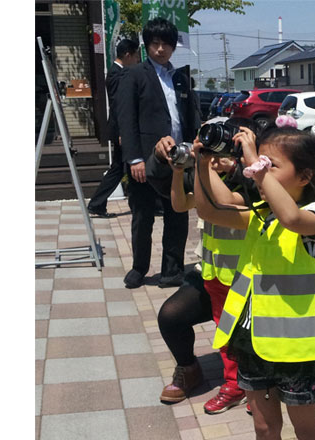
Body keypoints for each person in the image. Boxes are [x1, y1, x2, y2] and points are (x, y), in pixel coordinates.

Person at [203, 117, 315, 440]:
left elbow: (292, 217)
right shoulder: (263, 213)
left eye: (270, 164)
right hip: (252, 340)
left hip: (295, 350)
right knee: (264, 427)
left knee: (305, 429)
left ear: (305, 176)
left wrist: (253, 162)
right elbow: (209, 210)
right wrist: (202, 161)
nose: (258, 169)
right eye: (259, 163)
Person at [155, 117, 260, 415]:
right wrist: (179, 172)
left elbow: (223, 203)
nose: (212, 155)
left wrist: (203, 162)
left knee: (246, 332)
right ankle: (234, 383)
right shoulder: (208, 177)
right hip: (214, 273)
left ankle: (252, 385)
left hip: (244, 275)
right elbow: (180, 204)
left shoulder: (248, 183)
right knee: (225, 331)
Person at [117, 17, 201, 289]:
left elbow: (189, 116)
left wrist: (194, 149)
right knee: (142, 217)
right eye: (155, 44)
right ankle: (139, 268)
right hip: (147, 159)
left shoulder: (180, 77)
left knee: (177, 214)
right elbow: (126, 120)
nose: (161, 50)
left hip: (179, 158)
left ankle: (172, 270)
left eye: (166, 44)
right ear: (147, 45)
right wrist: (135, 159)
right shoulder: (134, 75)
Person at [87, 38, 140, 218]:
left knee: (125, 167)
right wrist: (121, 132)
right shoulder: (117, 75)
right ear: (127, 55)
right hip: (120, 131)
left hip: (120, 130)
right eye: (135, 56)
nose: (136, 61)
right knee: (120, 168)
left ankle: (139, 204)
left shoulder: (117, 72)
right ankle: (96, 203)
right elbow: (119, 105)